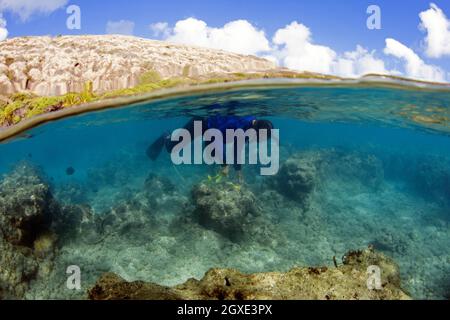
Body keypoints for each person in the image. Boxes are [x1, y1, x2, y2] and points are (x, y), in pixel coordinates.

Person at [147, 115, 274, 180]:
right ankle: (166, 137)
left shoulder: (250, 129)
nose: (255, 141)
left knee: (210, 158)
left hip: (211, 134)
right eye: (258, 138)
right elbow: (215, 136)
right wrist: (225, 164)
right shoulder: (238, 125)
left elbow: (237, 147)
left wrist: (238, 170)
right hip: (201, 125)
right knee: (171, 149)